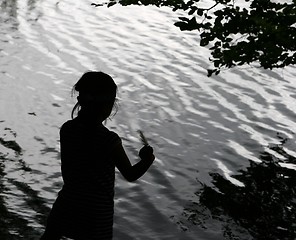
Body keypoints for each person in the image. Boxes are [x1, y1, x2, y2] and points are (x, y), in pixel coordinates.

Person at [41, 71, 155, 240]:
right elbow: (130, 174)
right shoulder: (109, 140)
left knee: (51, 236)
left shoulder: (68, 129)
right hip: (96, 212)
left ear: (81, 101)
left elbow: (70, 168)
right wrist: (147, 160)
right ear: (108, 106)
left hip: (68, 202)